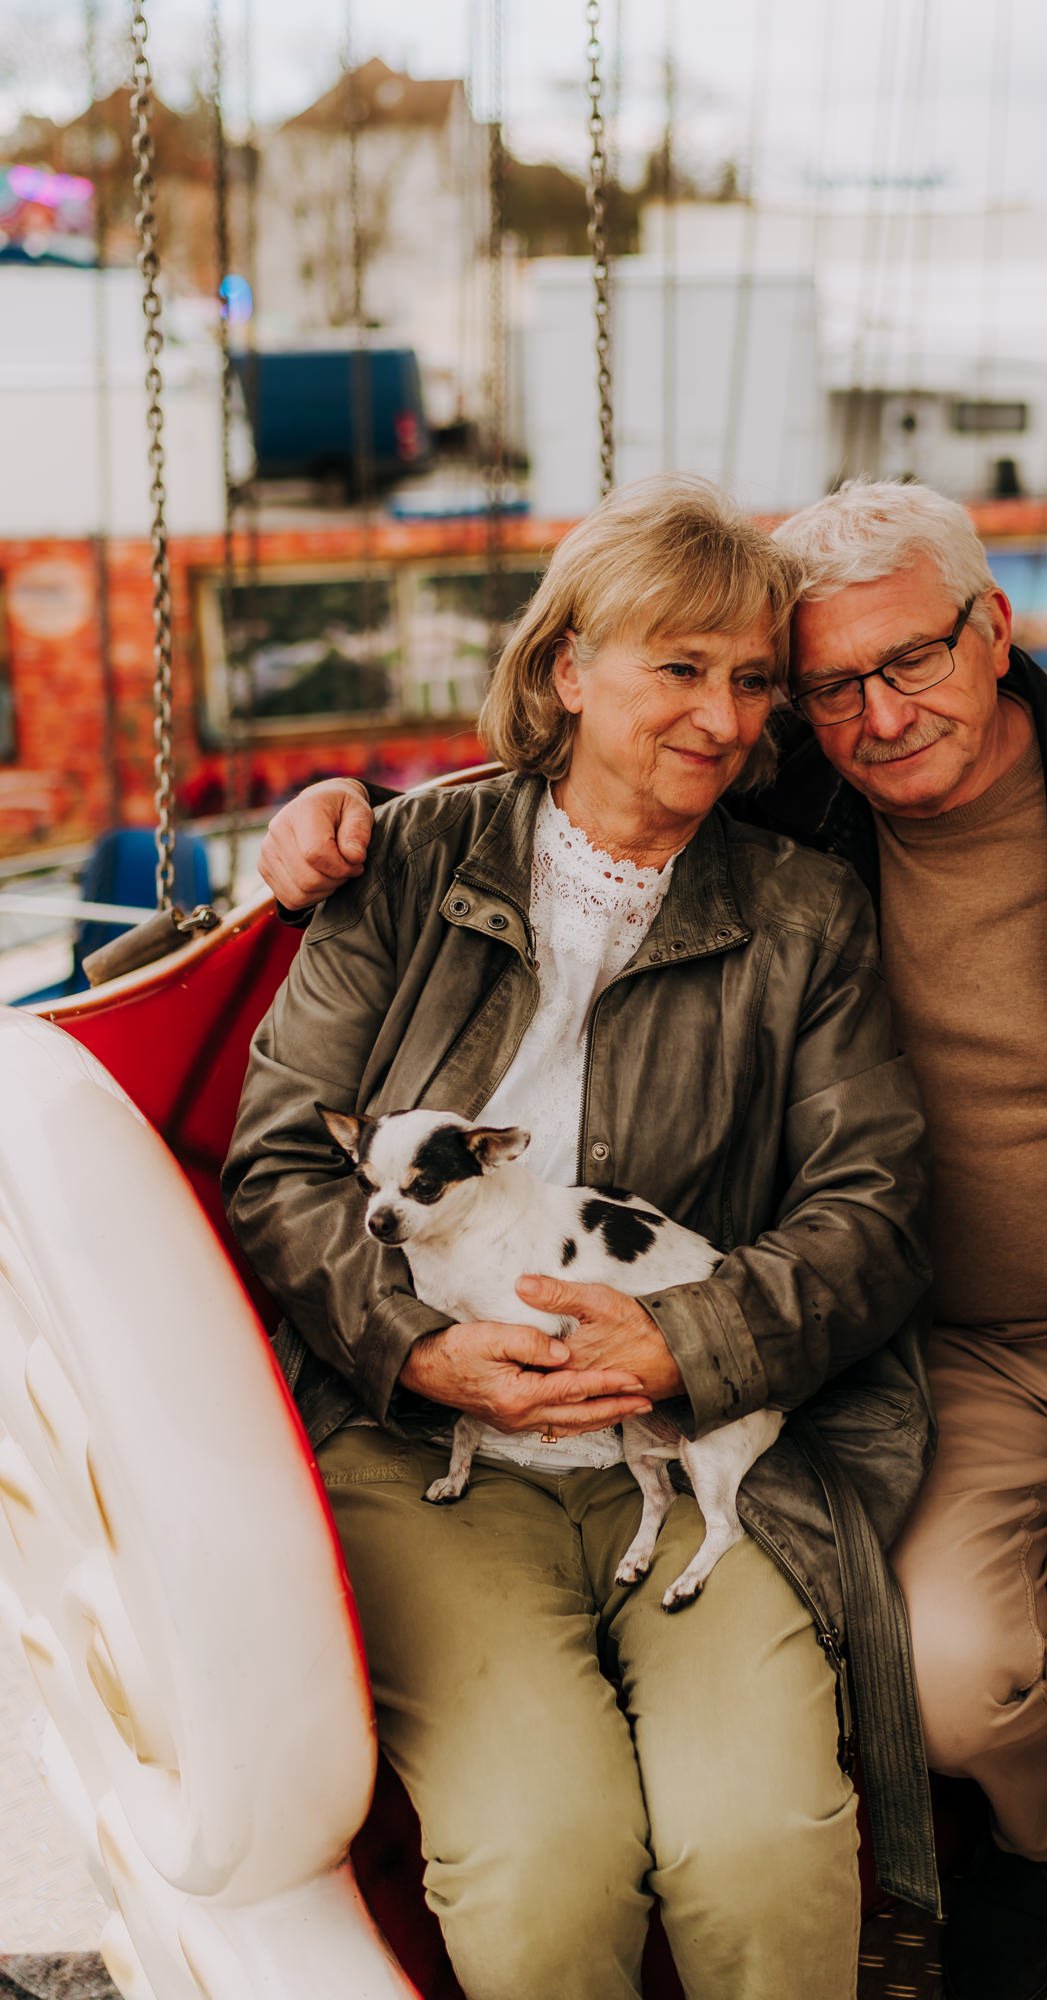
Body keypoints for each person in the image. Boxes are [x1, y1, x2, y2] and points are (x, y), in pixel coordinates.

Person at [262, 478, 1047, 2000]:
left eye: (904, 660)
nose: (873, 715)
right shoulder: (747, 813)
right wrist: (315, 829)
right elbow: (577, 789)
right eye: (821, 687)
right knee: (918, 1704)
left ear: (995, 629)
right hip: (906, 1353)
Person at [224, 474, 937, 2000]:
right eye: (678, 668)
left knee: (762, 1851)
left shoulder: (802, 911)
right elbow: (284, 1163)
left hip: (683, 1442)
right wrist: (425, 1354)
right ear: (567, 669)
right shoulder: (406, 864)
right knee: (546, 1871)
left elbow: (868, 1210)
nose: (725, 716)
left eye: (752, 681)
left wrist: (683, 1341)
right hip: (430, 1457)